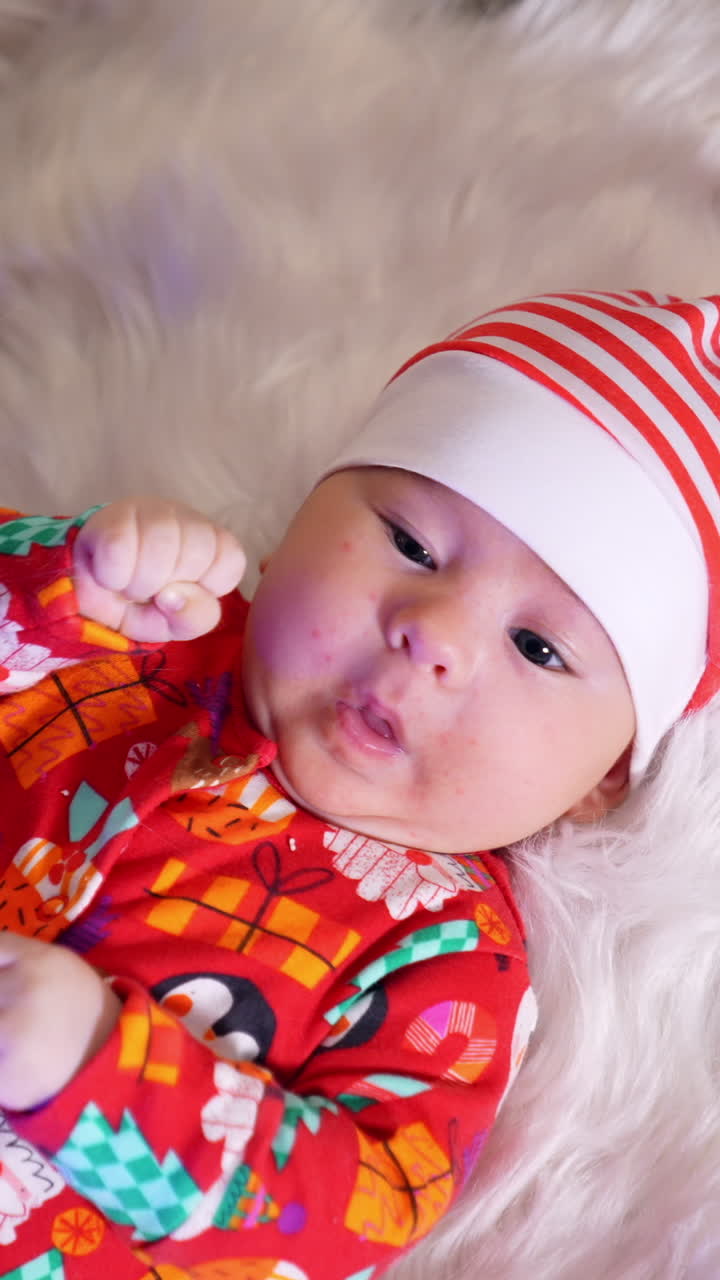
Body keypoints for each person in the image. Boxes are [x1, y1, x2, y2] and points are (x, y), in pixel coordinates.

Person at [0, 289, 715, 1280]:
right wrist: (59, 582)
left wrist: (94, 1071)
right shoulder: (131, 631)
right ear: (300, 517)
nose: (438, 636)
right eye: (413, 544)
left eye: (539, 646)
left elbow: (358, 1205)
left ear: (596, 783)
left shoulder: (445, 957)